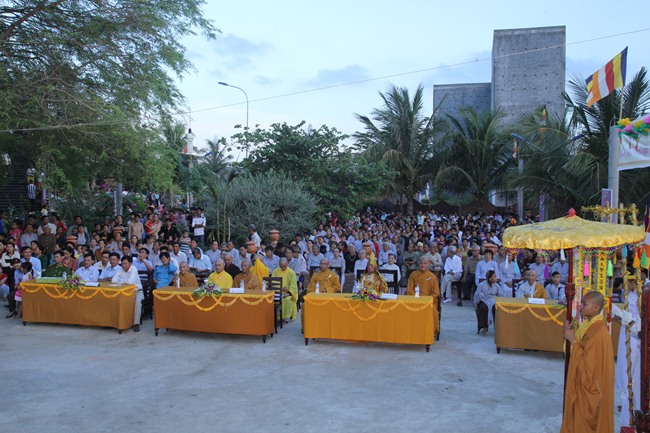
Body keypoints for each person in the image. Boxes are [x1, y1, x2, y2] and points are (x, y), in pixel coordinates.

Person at [560, 291, 614, 433]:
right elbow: (578, 350)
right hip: (584, 382)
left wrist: (572, 340)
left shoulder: (598, 332)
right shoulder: (588, 325)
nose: (581, 307)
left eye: (584, 304)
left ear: (596, 308)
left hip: (590, 387)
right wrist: (569, 333)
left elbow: (588, 367)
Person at [613, 275, 641, 427]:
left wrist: (631, 322)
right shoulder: (630, 295)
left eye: (629, 282)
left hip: (636, 335)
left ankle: (631, 403)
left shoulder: (641, 296)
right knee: (624, 364)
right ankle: (625, 400)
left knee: (634, 368)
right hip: (627, 331)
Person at [112, 255, 144, 332]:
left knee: (137, 303)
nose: (123, 265)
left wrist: (120, 281)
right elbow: (113, 280)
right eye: (122, 264)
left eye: (125, 263)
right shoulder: (120, 269)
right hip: (124, 291)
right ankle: (120, 321)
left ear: (130, 263)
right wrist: (124, 281)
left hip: (137, 291)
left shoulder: (134, 269)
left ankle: (136, 323)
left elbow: (130, 282)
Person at [473, 269, 504, 335]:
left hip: (493, 300)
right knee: (483, 308)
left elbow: (501, 295)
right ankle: (483, 327)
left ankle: (497, 327)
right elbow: (476, 295)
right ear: (490, 279)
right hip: (484, 300)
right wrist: (476, 304)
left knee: (496, 308)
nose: (496, 278)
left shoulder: (496, 285)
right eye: (494, 277)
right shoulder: (481, 285)